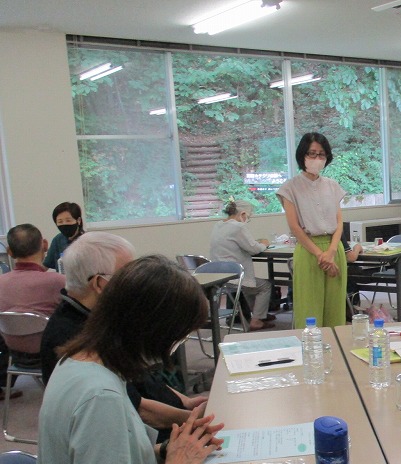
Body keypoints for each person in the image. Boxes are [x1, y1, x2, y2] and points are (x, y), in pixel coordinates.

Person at [33, 254, 277, 464]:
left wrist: (166, 451)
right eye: (176, 338)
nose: (171, 350)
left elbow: (96, 461)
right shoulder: (99, 397)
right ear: (151, 330)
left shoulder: (77, 362)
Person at [40, 232, 204, 441]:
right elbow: (140, 409)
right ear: (100, 284)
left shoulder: (100, 321)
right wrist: (192, 419)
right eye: (128, 275)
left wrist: (184, 401)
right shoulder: (73, 338)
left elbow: (141, 375)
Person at [277, 132, 347, 328]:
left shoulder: (332, 186)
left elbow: (339, 222)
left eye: (321, 154)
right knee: (309, 309)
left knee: (335, 309)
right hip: (309, 250)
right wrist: (320, 254)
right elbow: (294, 227)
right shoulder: (290, 188)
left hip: (334, 248)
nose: (317, 159)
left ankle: (335, 353)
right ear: (303, 156)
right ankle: (310, 355)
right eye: (312, 154)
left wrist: (331, 252)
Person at [0, 223, 65, 361]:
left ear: (9, 252)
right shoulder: (58, 281)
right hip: (51, 350)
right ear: (45, 245)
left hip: (12, 350)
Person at [210, 199, 275, 330]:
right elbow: (254, 249)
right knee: (265, 286)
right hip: (236, 277)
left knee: (251, 286)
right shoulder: (238, 227)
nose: (247, 220)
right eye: (248, 217)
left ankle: (256, 314)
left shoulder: (218, 225)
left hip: (220, 277)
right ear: (243, 214)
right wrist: (265, 243)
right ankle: (256, 319)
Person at [43, 201, 84, 270]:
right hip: (62, 280)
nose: (64, 224)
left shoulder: (87, 240)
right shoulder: (58, 240)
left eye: (68, 220)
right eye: (60, 221)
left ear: (78, 220)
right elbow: (45, 266)